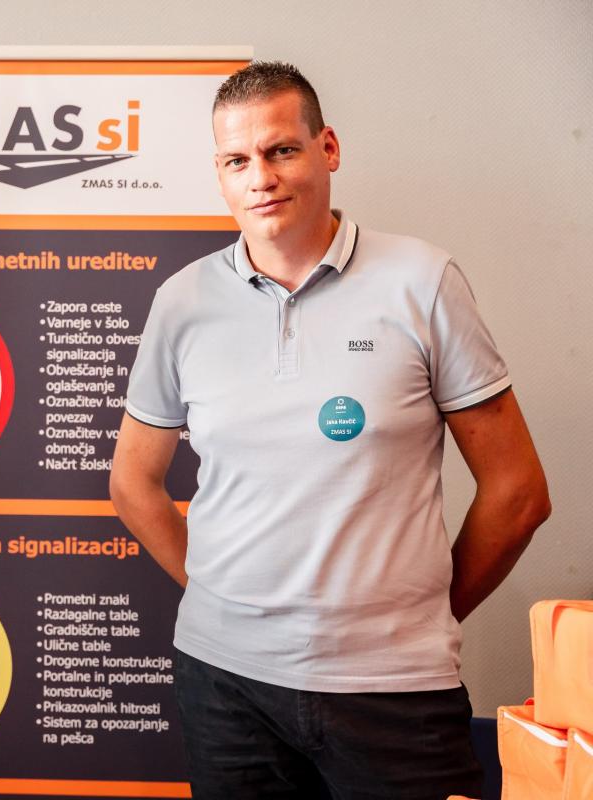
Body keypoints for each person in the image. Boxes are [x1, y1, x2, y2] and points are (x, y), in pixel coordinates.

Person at [109, 62, 550, 798]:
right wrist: (222, 597)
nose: (261, 178)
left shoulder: (423, 281)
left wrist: (425, 614)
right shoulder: (181, 303)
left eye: (281, 150)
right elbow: (132, 483)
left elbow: (519, 492)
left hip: (394, 690)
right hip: (226, 687)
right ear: (219, 174)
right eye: (236, 160)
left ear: (329, 148)